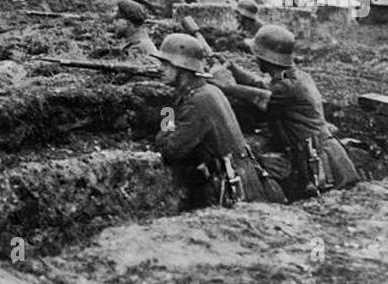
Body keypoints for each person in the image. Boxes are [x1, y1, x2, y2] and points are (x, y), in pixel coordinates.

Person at [210, 25, 359, 200]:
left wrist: (227, 87)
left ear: (266, 59)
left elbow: (263, 97)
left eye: (257, 55)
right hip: (325, 154)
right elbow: (262, 85)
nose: (255, 58)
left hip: (324, 163)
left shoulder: (287, 87)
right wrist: (233, 68)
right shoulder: (296, 77)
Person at [151, 34, 283, 209]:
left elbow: (169, 149)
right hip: (242, 178)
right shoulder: (208, 90)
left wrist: (166, 113)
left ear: (182, 67)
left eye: (166, 64)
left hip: (233, 188)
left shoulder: (198, 101)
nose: (160, 69)